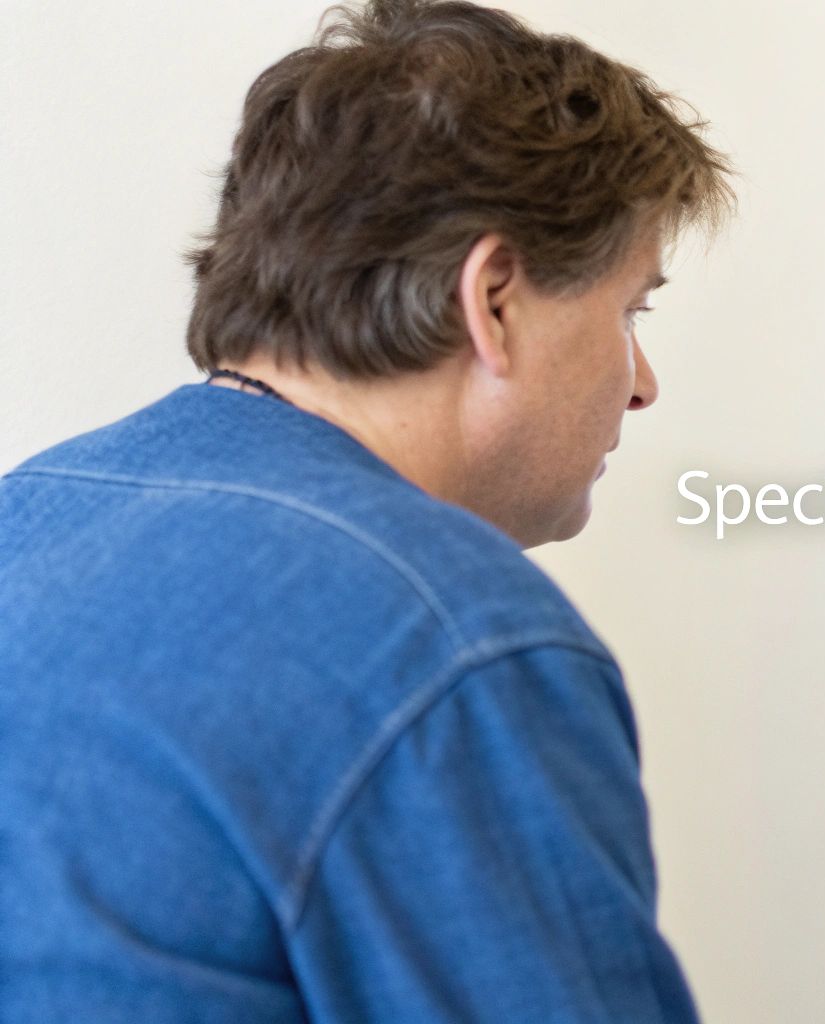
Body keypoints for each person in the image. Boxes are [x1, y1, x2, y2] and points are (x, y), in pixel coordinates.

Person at [0, 1, 731, 1020]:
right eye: (628, 310)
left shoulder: (25, 515)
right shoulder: (459, 640)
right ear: (495, 301)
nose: (640, 380)